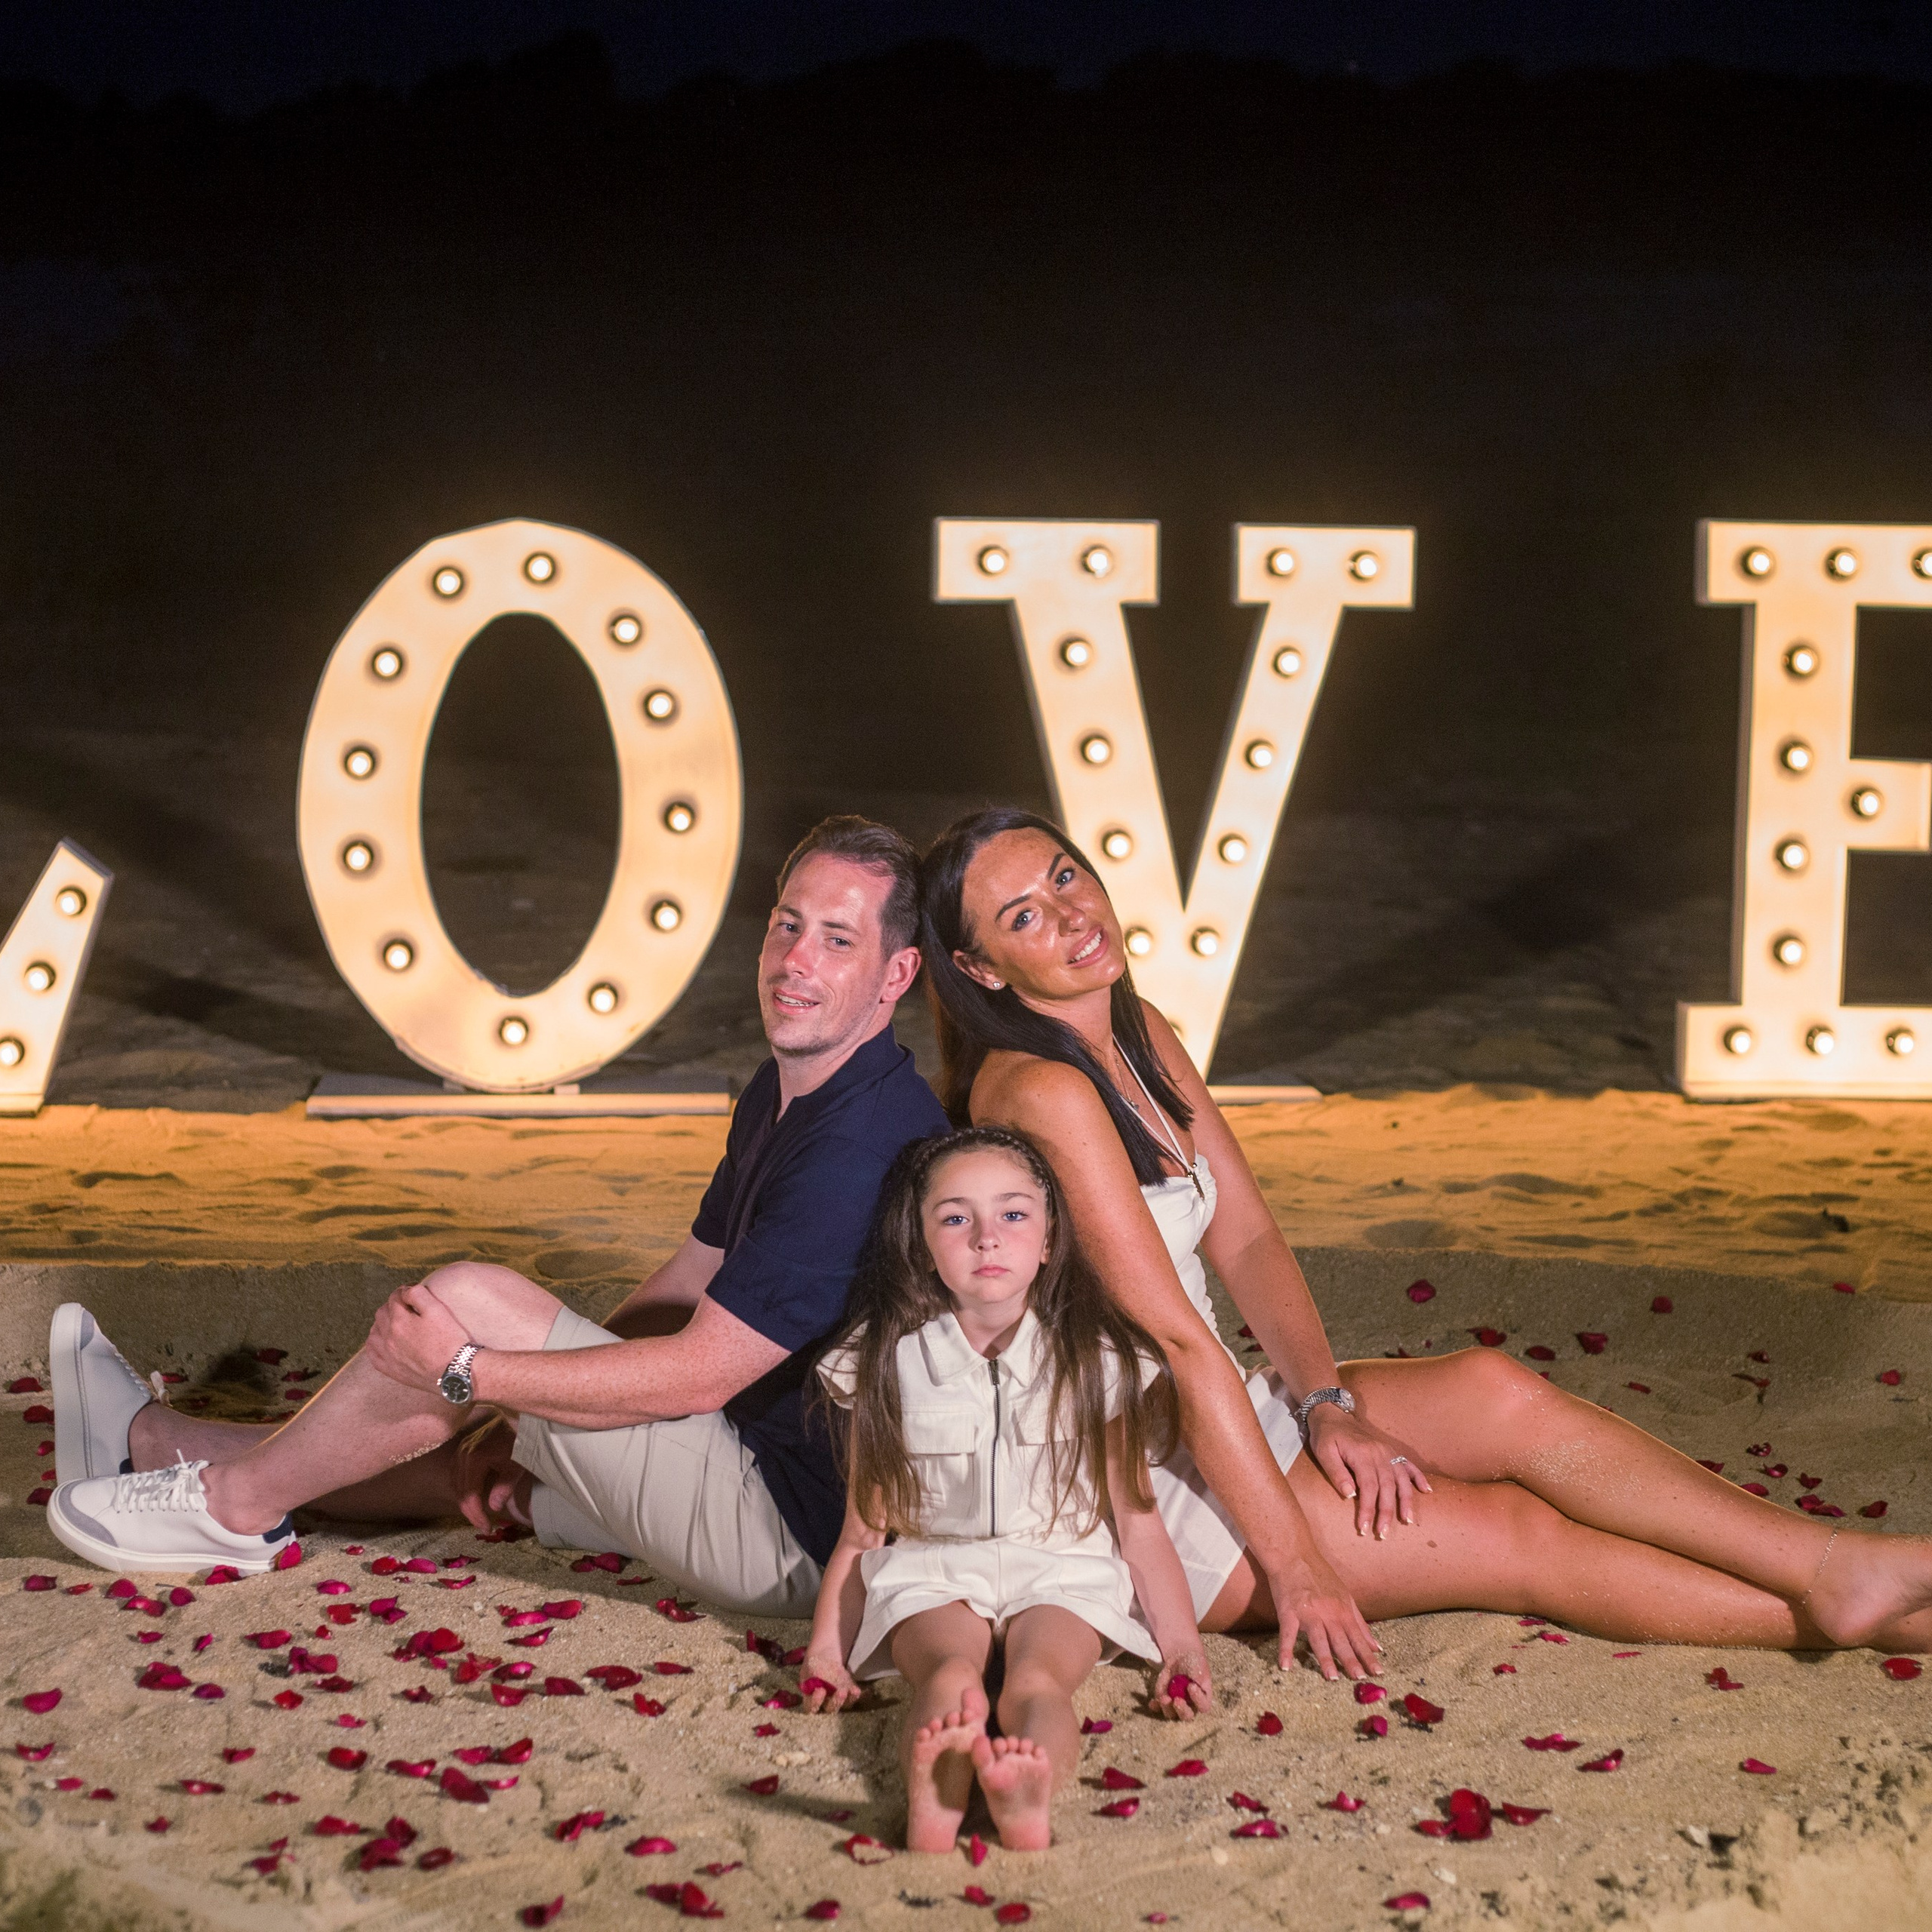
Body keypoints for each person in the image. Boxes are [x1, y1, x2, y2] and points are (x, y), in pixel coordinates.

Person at [917, 805, 1932, 1675]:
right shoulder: (1037, 1088)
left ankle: (1829, 1567)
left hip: (1217, 1405)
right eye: (1023, 917)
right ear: (980, 968)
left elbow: (1252, 1240)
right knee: (1513, 1536)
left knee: (1496, 1394)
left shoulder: (1139, 1031)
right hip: (1139, 1485)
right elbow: (1179, 1346)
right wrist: (1299, 1565)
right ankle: (1856, 1616)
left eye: (1064, 876)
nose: (1069, 914)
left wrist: (1326, 1405)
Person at [44, 817, 950, 1614]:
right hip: (736, 1458)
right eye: (788, 925)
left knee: (467, 1303)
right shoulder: (788, 1087)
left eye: (837, 940)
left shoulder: (859, 1148)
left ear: (895, 972)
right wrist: (514, 1417)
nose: (795, 960)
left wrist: (474, 1372)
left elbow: (696, 1376)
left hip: (789, 1530)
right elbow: (691, 1276)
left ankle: (233, 1514)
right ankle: (153, 1444)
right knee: (459, 1462)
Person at [801, 1125, 1207, 1853]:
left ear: (1050, 1239)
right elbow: (863, 1532)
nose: (987, 1238)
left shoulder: (1097, 1359)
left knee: (1038, 1682)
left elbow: (1138, 1523)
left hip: (1062, 1569)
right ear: (922, 1245)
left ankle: (1028, 1794)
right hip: (933, 1569)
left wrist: (1181, 1651)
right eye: (956, 1218)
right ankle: (935, 1800)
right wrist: (826, 1651)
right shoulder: (884, 1362)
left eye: (1013, 1214)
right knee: (949, 1672)